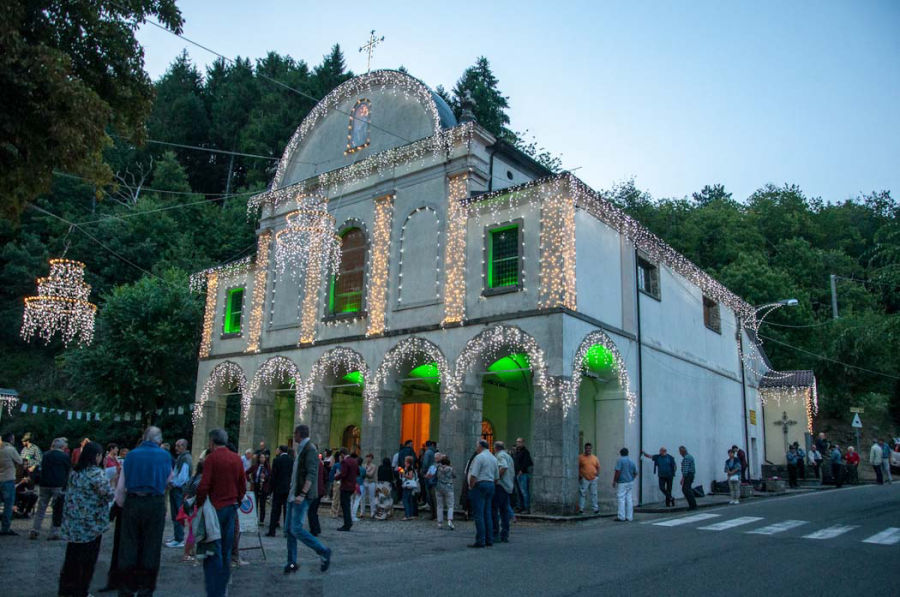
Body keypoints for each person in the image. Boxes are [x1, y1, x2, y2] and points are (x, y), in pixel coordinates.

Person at [114, 426, 172, 597]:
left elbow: (120, 487)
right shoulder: (165, 456)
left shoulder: (131, 455)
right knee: (151, 547)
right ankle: (146, 590)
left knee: (128, 546)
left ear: (144, 438)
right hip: (154, 502)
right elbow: (170, 480)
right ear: (159, 440)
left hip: (133, 501)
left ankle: (126, 589)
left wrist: (124, 504)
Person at [57, 441, 112, 597]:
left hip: (73, 523)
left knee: (71, 559)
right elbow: (108, 494)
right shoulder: (96, 473)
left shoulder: (75, 472)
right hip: (91, 525)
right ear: (97, 456)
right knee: (87, 561)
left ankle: (65, 590)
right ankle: (81, 591)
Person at [196, 428, 245, 597]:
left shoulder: (211, 459)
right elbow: (242, 484)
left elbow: (204, 485)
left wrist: (199, 503)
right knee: (226, 547)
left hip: (215, 508)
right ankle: (224, 584)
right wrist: (238, 500)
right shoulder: (237, 459)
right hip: (231, 507)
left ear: (211, 442)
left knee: (213, 546)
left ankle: (215, 588)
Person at [284, 424, 331, 575]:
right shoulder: (302, 449)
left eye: (295, 433)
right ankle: (291, 562)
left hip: (301, 495)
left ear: (299, 434)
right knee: (289, 530)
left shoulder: (310, 449)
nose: (293, 436)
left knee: (296, 528)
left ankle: (323, 551)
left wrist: (302, 494)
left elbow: (311, 473)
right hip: (293, 494)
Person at [31, 436, 70, 540]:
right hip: (58, 484)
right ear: (62, 447)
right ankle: (54, 532)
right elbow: (68, 471)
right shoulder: (64, 457)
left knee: (41, 508)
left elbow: (40, 468)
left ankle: (35, 529)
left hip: (44, 484)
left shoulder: (45, 455)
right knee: (57, 509)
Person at [467, 439, 498, 548]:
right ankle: (489, 539)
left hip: (480, 485)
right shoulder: (494, 458)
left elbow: (474, 474)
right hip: (490, 484)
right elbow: (496, 476)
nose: (476, 448)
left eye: (477, 446)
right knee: (487, 513)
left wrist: (471, 486)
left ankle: (480, 540)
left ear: (480, 446)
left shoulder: (479, 457)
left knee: (479, 514)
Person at [165, 438, 192, 548]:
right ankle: (177, 535)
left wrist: (173, 483)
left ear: (184, 447)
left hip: (179, 490)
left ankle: (179, 538)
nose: (176, 448)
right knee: (176, 513)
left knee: (178, 513)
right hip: (177, 489)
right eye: (176, 445)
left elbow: (183, 477)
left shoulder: (185, 458)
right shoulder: (182, 457)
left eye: (179, 446)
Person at [267, 446, 293, 537]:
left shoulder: (277, 460)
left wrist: (270, 490)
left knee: (275, 510)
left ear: (280, 450)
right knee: (287, 510)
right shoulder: (291, 460)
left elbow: (273, 476)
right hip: (288, 488)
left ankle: (272, 530)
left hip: (278, 488)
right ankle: (287, 531)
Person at [0, 432, 23, 535]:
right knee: (8, 505)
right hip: (8, 479)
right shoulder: (11, 450)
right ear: (11, 440)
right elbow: (20, 461)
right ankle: (5, 528)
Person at [492, 441, 514, 543]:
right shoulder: (507, 455)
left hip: (501, 485)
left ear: (495, 448)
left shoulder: (500, 456)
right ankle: (505, 534)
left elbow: (504, 467)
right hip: (508, 486)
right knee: (505, 510)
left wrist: (497, 477)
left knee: (495, 509)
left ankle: (495, 533)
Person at [335, 447, 358, 531]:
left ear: (342, 454)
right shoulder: (354, 461)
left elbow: (343, 474)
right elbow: (357, 472)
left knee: (345, 505)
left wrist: (336, 477)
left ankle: (347, 523)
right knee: (347, 504)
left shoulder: (345, 462)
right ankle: (348, 522)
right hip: (352, 485)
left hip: (345, 486)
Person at [613, 448, 638, 521]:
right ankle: (629, 517)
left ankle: (621, 516)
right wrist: (632, 478)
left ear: (621, 453)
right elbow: (636, 472)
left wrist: (615, 480)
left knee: (621, 498)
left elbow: (617, 471)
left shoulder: (620, 460)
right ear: (628, 453)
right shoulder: (631, 461)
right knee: (629, 499)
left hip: (622, 482)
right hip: (630, 481)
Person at [247, 452, 271, 526]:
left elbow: (271, 476)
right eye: (261, 457)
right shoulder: (255, 466)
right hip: (256, 486)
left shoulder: (267, 467)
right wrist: (250, 480)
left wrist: (265, 478)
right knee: (255, 503)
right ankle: (254, 518)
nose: (262, 459)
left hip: (264, 487)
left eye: (263, 457)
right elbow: (246, 472)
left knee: (262, 504)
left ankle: (262, 520)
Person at [578, 443, 601, 514]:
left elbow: (598, 467)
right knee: (582, 493)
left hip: (593, 478)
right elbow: (577, 467)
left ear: (591, 449)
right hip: (584, 478)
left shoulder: (595, 458)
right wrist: (580, 475)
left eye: (589, 448)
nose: (588, 449)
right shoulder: (580, 457)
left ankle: (595, 509)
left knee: (594, 494)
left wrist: (597, 475)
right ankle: (581, 509)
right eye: (587, 448)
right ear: (585, 449)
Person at [434, 454, 455, 530]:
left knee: (439, 505)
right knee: (450, 505)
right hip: (449, 487)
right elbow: (454, 476)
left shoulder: (438, 468)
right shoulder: (450, 469)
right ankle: (449, 520)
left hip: (439, 487)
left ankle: (439, 522)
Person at [513, 437, 533, 514]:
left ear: (523, 443)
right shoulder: (517, 452)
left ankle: (526, 508)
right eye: (517, 441)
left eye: (520, 442)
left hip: (523, 474)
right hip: (516, 474)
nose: (518, 443)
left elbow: (528, 462)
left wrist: (521, 470)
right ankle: (520, 507)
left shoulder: (525, 452)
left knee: (524, 491)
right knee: (518, 492)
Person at [307, 454, 325, 536]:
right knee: (313, 510)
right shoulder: (320, 463)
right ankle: (316, 528)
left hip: (315, 490)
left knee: (311, 511)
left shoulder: (314, 463)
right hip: (319, 489)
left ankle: (314, 529)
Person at [400, 455, 419, 520]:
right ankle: (410, 514)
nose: (404, 462)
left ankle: (407, 515)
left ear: (408, 462)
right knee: (409, 501)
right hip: (408, 486)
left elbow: (410, 477)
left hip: (408, 486)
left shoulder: (410, 468)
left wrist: (404, 475)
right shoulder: (408, 468)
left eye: (405, 461)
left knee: (406, 501)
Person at [678, 446, 697, 510]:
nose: (680, 453)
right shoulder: (690, 456)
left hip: (688, 475)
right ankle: (693, 505)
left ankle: (692, 505)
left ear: (682, 452)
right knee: (687, 489)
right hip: (691, 475)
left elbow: (685, 469)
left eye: (680, 452)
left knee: (686, 489)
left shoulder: (686, 458)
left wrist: (682, 478)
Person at [361, 453, 377, 518]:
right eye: (367, 457)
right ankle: (362, 512)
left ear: (372, 459)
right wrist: (366, 472)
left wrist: (364, 472)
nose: (368, 459)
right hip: (364, 482)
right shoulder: (363, 465)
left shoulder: (374, 466)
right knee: (362, 497)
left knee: (371, 497)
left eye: (370, 457)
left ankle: (372, 512)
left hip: (371, 482)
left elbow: (371, 474)